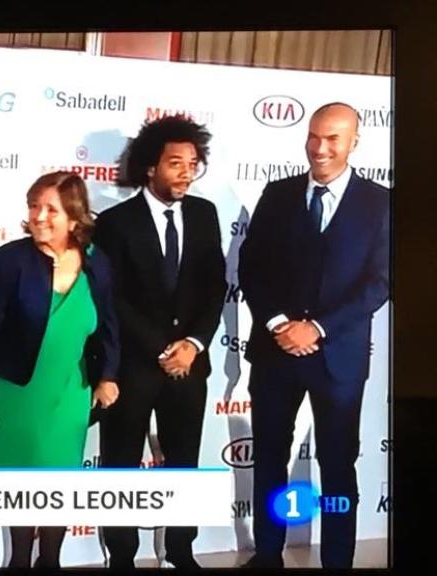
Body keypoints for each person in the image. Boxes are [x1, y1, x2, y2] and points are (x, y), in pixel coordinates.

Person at [239, 102, 389, 569]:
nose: (320, 148)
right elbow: (251, 267)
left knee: (339, 469)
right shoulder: (278, 193)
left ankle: (338, 561)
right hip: (275, 353)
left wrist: (318, 328)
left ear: (354, 142)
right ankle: (267, 555)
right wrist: (278, 324)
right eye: (314, 137)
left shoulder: (382, 202)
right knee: (269, 461)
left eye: (333, 139)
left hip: (338, 359)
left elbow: (380, 281)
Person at [91, 115, 226, 569]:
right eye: (175, 163)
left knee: (184, 462)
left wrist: (191, 343)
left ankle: (181, 551)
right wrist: (160, 349)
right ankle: (123, 556)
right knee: (121, 463)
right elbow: (112, 299)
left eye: (192, 163)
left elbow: (214, 288)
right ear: (150, 167)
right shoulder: (114, 223)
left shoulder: (206, 215)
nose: (186, 172)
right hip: (132, 366)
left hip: (190, 364)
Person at [0, 170, 121, 568]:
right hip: (17, 394)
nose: (38, 216)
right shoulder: (9, 261)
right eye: (34, 206)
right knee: (23, 483)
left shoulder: (96, 264)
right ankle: (20, 559)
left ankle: (50, 559)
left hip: (69, 394)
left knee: (59, 483)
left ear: (74, 217)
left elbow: (108, 327)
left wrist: (107, 376)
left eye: (50, 209)